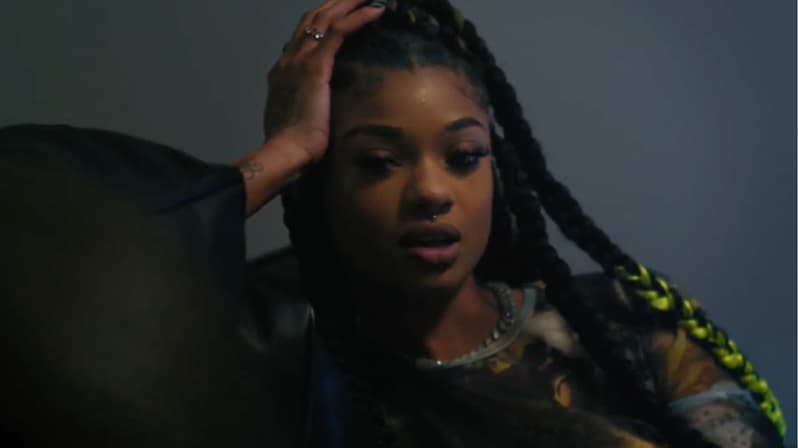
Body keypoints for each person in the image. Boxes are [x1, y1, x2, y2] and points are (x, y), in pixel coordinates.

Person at [0, 0, 785, 447]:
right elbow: (40, 256)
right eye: (378, 162)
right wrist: (280, 154)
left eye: (464, 156)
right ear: (322, 180)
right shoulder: (274, 362)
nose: (431, 192)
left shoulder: (627, 326)